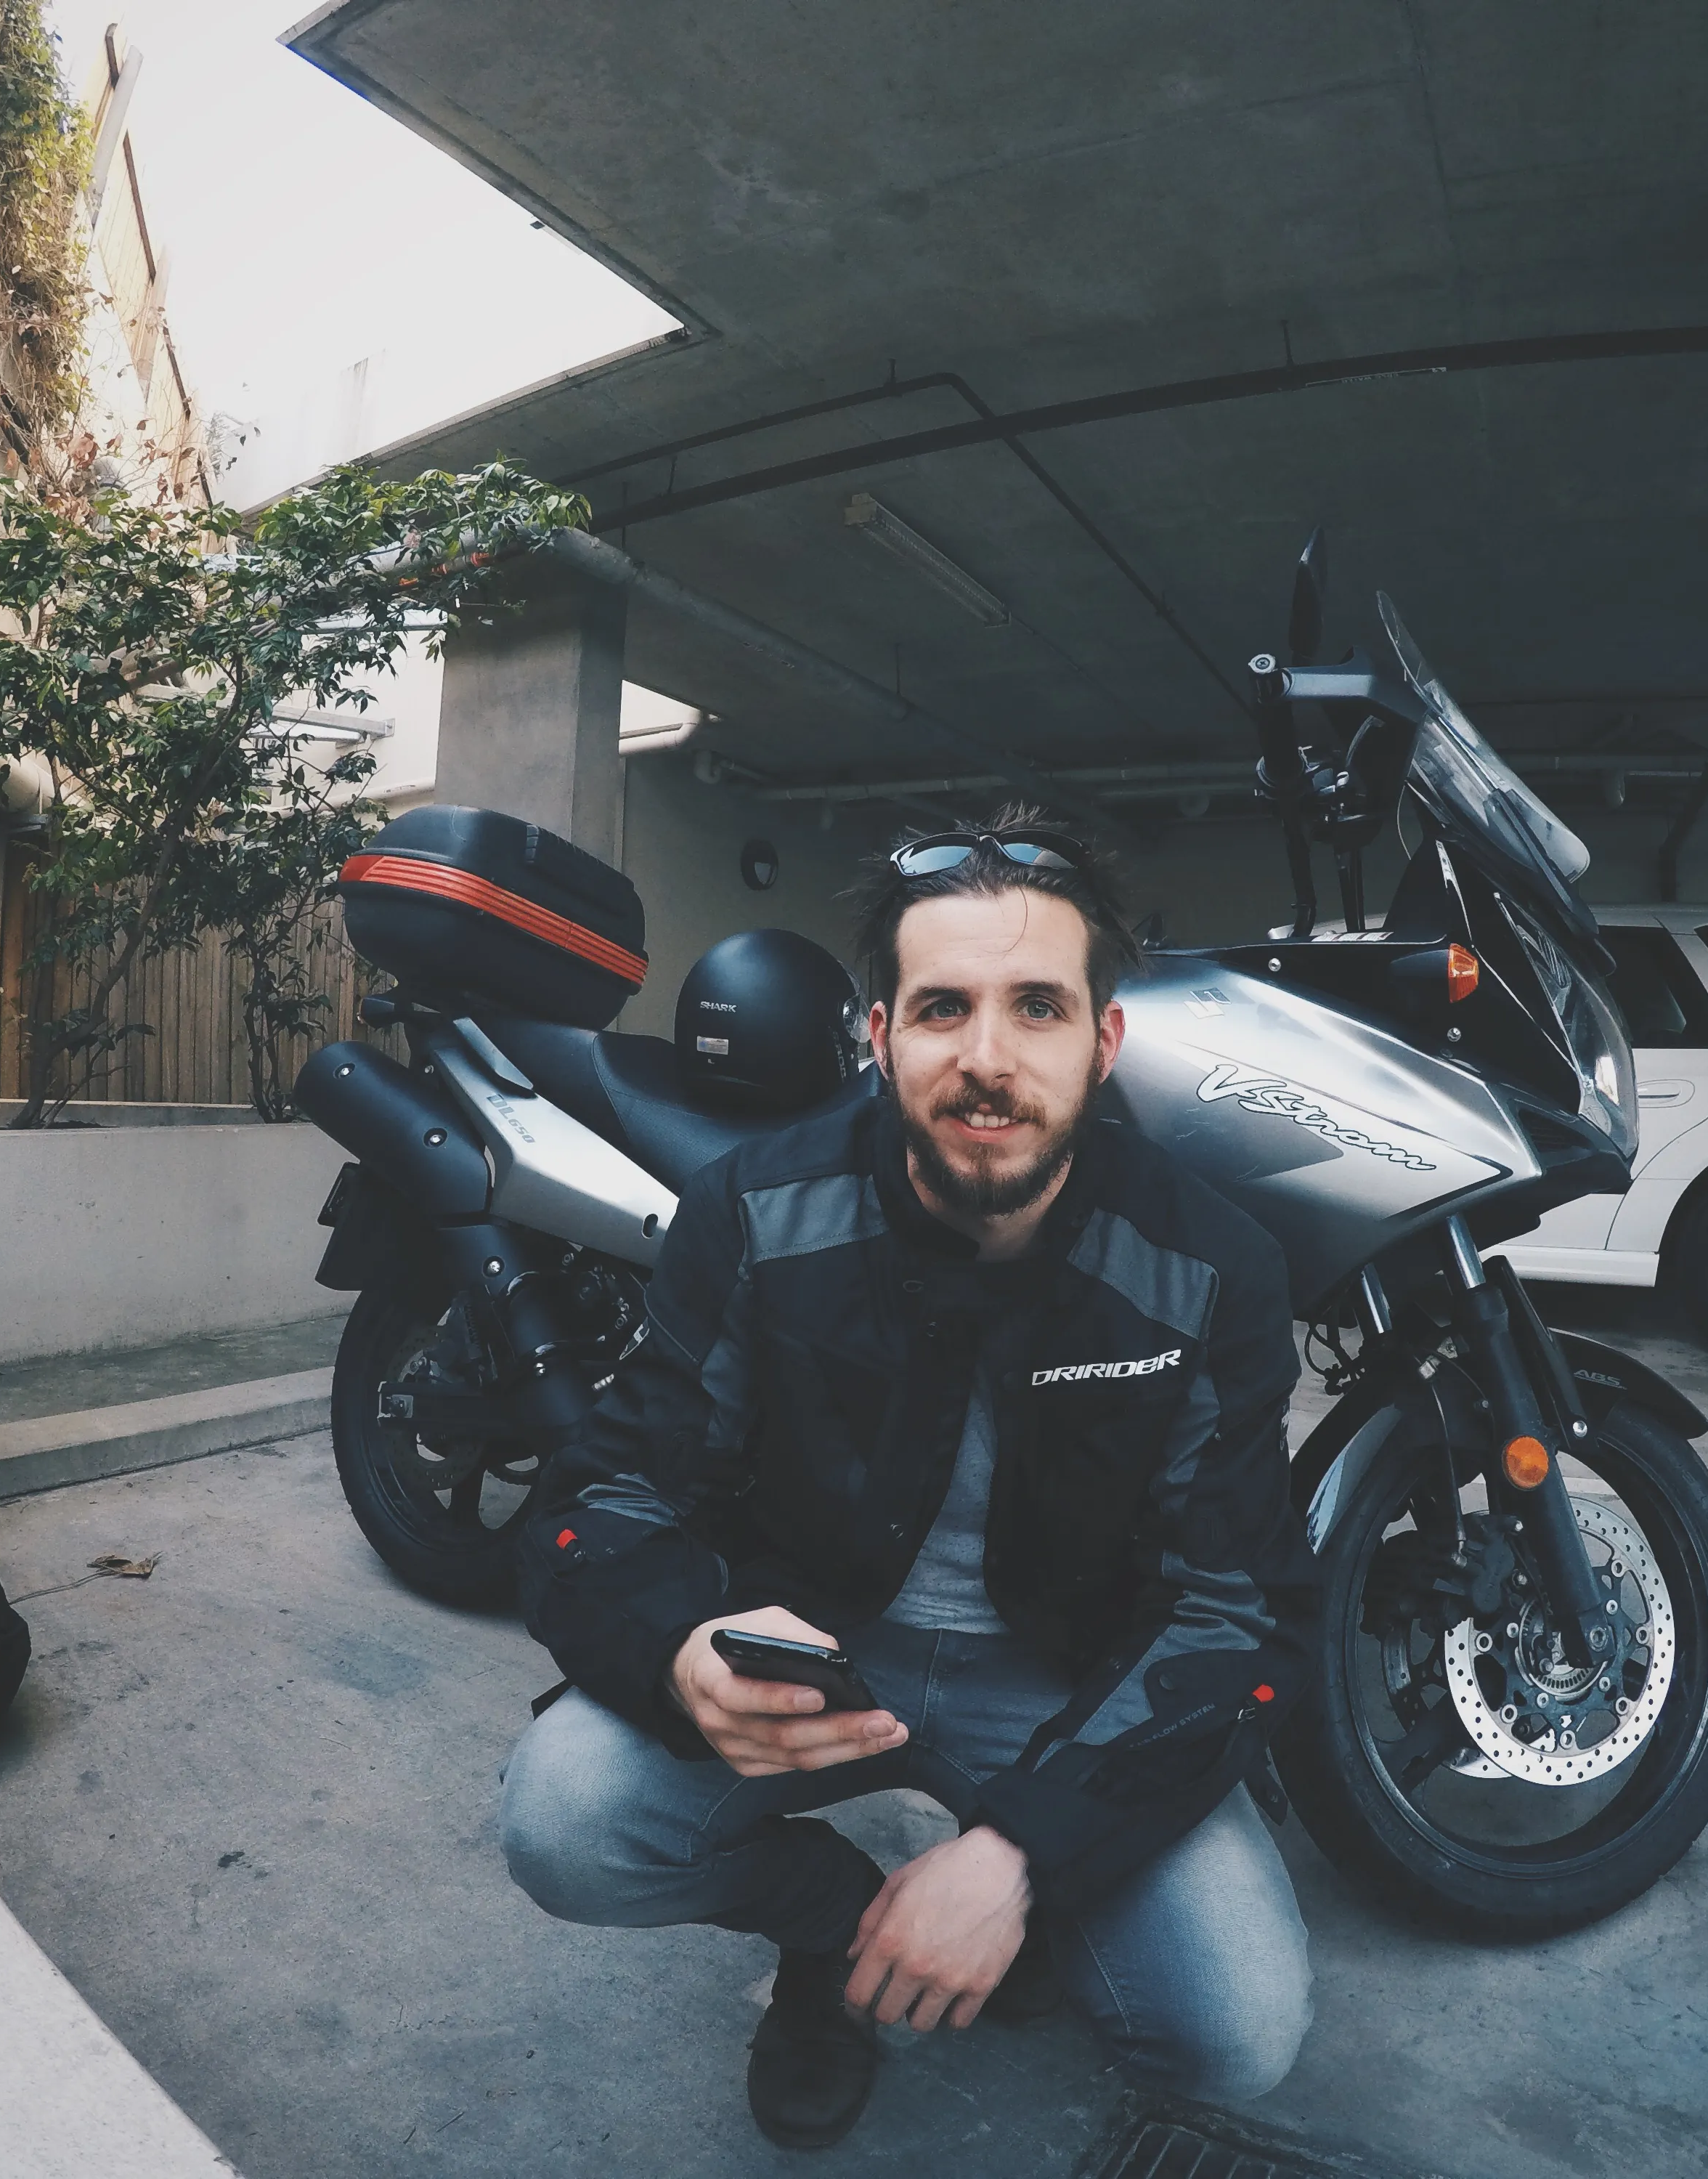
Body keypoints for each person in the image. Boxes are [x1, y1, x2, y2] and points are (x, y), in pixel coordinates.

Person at [499, 812, 1318, 2148]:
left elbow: (1234, 1611)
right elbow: (604, 1495)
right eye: (942, 1009)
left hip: (1067, 1682)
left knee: (1234, 2027)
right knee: (563, 1819)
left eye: (1037, 1007)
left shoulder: (1214, 1266)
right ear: (877, 1038)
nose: (986, 1060)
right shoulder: (755, 1214)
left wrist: (1020, 1854)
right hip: (821, 1661)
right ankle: (833, 1938)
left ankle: (1004, 1904)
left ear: (1102, 1045)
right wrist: (675, 1650)